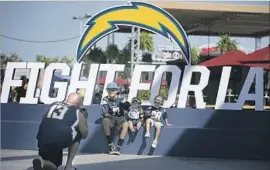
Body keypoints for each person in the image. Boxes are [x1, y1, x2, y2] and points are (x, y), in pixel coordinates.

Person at [32, 93, 88, 170]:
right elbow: (85, 134)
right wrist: (84, 118)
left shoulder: (52, 105)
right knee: (78, 134)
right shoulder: (77, 112)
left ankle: (42, 162)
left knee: (53, 166)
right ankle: (68, 166)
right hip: (59, 140)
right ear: (79, 104)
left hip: (42, 139)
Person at [100, 82, 129, 155]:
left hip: (120, 118)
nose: (111, 92)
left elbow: (129, 107)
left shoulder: (121, 99)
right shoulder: (105, 100)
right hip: (111, 119)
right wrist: (116, 118)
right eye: (109, 90)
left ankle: (118, 147)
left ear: (116, 91)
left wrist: (125, 100)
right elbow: (105, 114)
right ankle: (110, 146)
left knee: (126, 124)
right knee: (105, 121)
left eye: (113, 90)